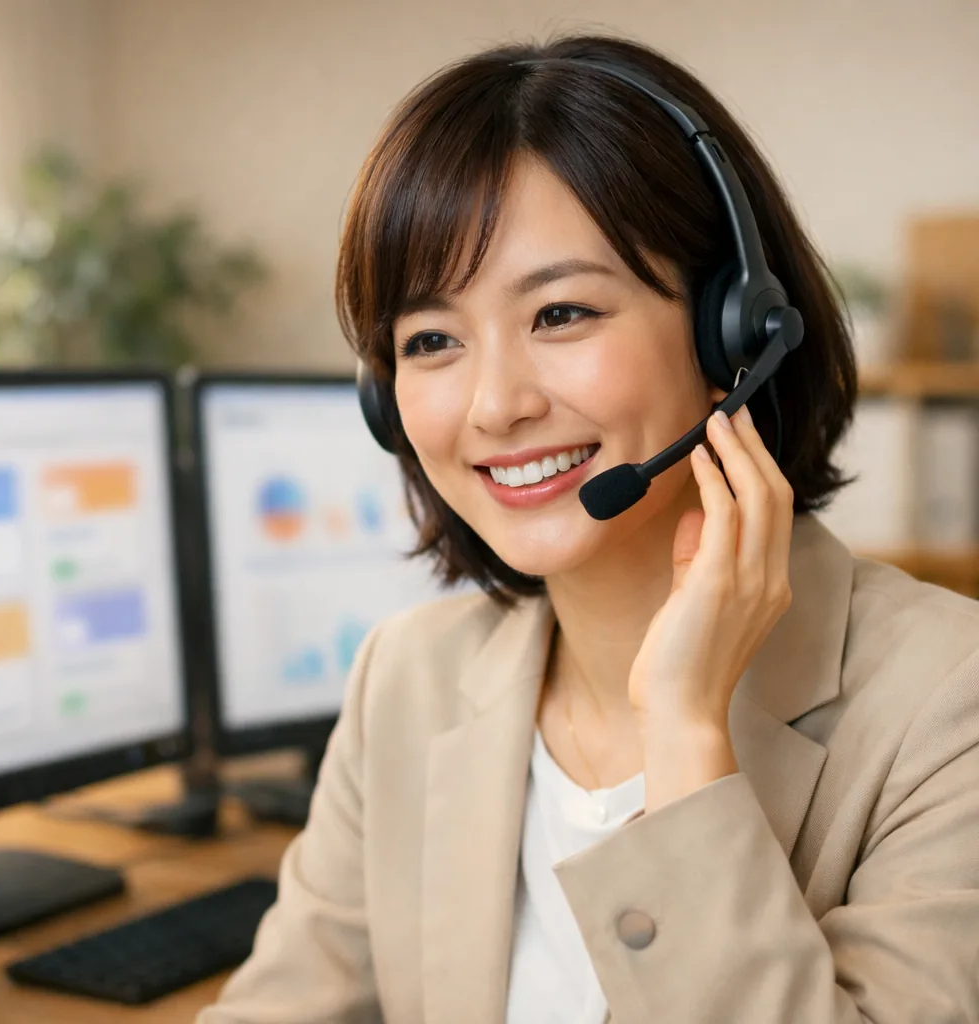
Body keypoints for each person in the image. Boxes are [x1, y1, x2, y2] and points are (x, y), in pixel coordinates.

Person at [198, 33, 979, 1024]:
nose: (493, 405)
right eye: (431, 340)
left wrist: (686, 734)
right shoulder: (409, 678)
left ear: (732, 335)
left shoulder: (948, 709)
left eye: (560, 313)